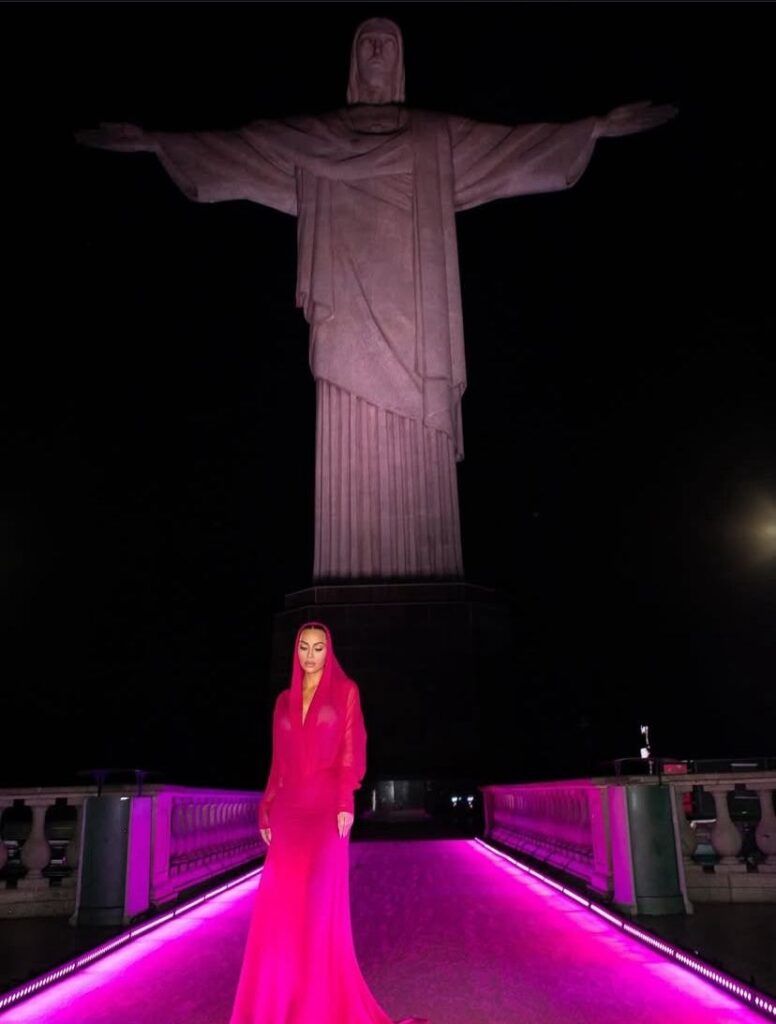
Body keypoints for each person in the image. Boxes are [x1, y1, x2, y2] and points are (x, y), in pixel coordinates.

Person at [76, 18, 675, 582]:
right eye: (367, 41)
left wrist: (592, 129)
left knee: (419, 442)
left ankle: (426, 573)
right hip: (344, 313)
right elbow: (238, 150)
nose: (378, 50)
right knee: (346, 430)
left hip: (418, 322)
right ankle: (348, 573)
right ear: (352, 60)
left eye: (388, 41)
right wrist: (158, 144)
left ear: (402, 59)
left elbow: (513, 149)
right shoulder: (315, 138)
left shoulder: (435, 136)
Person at [229, 622, 425, 1024]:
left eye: (318, 648)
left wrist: (345, 801)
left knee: (318, 911)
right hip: (288, 811)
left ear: (328, 651)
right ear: (296, 651)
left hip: (326, 812)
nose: (310, 656)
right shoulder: (283, 701)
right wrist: (266, 805)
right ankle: (278, 1007)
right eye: (304, 647)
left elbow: (351, 753)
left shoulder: (346, 691)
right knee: (280, 913)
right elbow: (278, 762)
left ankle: (317, 1010)